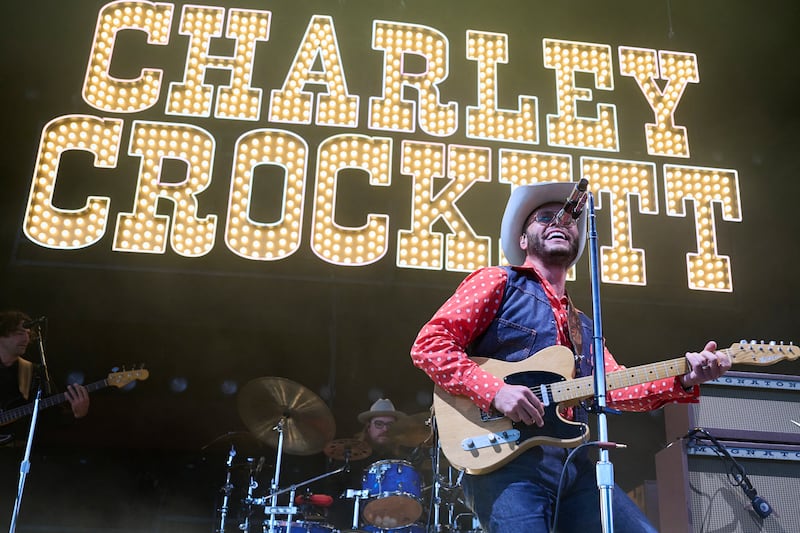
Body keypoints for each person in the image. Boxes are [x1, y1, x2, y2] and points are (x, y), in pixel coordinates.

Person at [410, 181, 732, 533]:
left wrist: (685, 377)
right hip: (504, 460)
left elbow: (613, 387)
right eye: (544, 218)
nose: (559, 223)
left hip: (573, 463)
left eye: (567, 221)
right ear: (522, 239)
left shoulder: (583, 325)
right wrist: (494, 392)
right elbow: (431, 344)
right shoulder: (498, 281)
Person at [0, 310, 90, 444]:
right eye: (20, 333)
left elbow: (54, 417)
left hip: (18, 454)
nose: (26, 338)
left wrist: (78, 413)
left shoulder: (34, 372)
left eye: (28, 334)